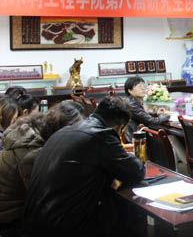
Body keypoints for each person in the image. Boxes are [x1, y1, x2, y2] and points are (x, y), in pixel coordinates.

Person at [23, 96, 145, 236]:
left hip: (34, 223)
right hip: (62, 227)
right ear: (119, 127)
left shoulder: (64, 131)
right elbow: (136, 171)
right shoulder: (101, 134)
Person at [0, 101, 83, 234]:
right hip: (11, 219)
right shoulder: (31, 151)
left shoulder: (33, 134)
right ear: (62, 130)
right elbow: (43, 196)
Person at [124, 76, 169, 143]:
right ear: (130, 90)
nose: (143, 88)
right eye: (140, 86)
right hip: (135, 140)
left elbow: (141, 115)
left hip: (138, 135)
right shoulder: (132, 104)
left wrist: (156, 113)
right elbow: (152, 121)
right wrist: (168, 115)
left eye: (144, 86)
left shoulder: (131, 101)